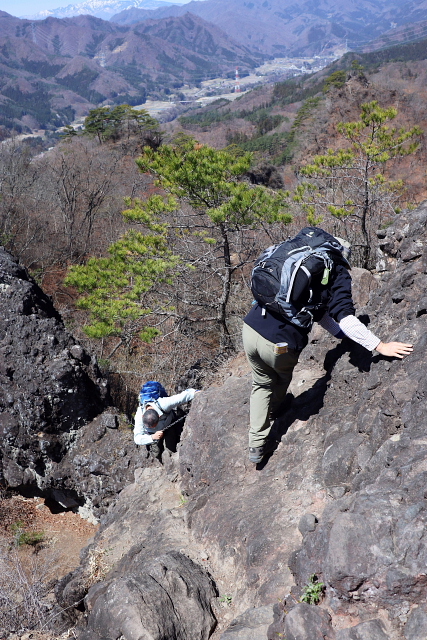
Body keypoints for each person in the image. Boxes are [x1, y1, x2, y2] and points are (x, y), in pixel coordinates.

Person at [243, 231, 413, 464]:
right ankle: (277, 409)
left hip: (251, 328)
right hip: (279, 344)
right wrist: (380, 345)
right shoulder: (337, 272)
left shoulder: (302, 255)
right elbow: (345, 318)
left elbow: (320, 312)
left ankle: (255, 444)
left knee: (261, 383)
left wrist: (341, 336)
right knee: (280, 378)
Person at [134, 387, 197, 457]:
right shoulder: (139, 415)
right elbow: (137, 438)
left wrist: (196, 392)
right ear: (143, 417)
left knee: (171, 450)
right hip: (152, 435)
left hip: (168, 427)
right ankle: (155, 449)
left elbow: (183, 396)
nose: (153, 427)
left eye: (154, 425)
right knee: (156, 454)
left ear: (159, 416)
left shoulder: (164, 404)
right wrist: (152, 437)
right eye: (150, 426)